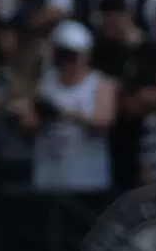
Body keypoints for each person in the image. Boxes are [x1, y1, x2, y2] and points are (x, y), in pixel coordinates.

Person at [22, 21, 117, 192]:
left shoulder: (99, 84)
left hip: (87, 177)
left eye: (71, 56)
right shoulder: (45, 85)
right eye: (62, 56)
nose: (66, 63)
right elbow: (28, 124)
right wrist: (42, 116)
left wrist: (67, 114)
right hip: (49, 175)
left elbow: (104, 120)